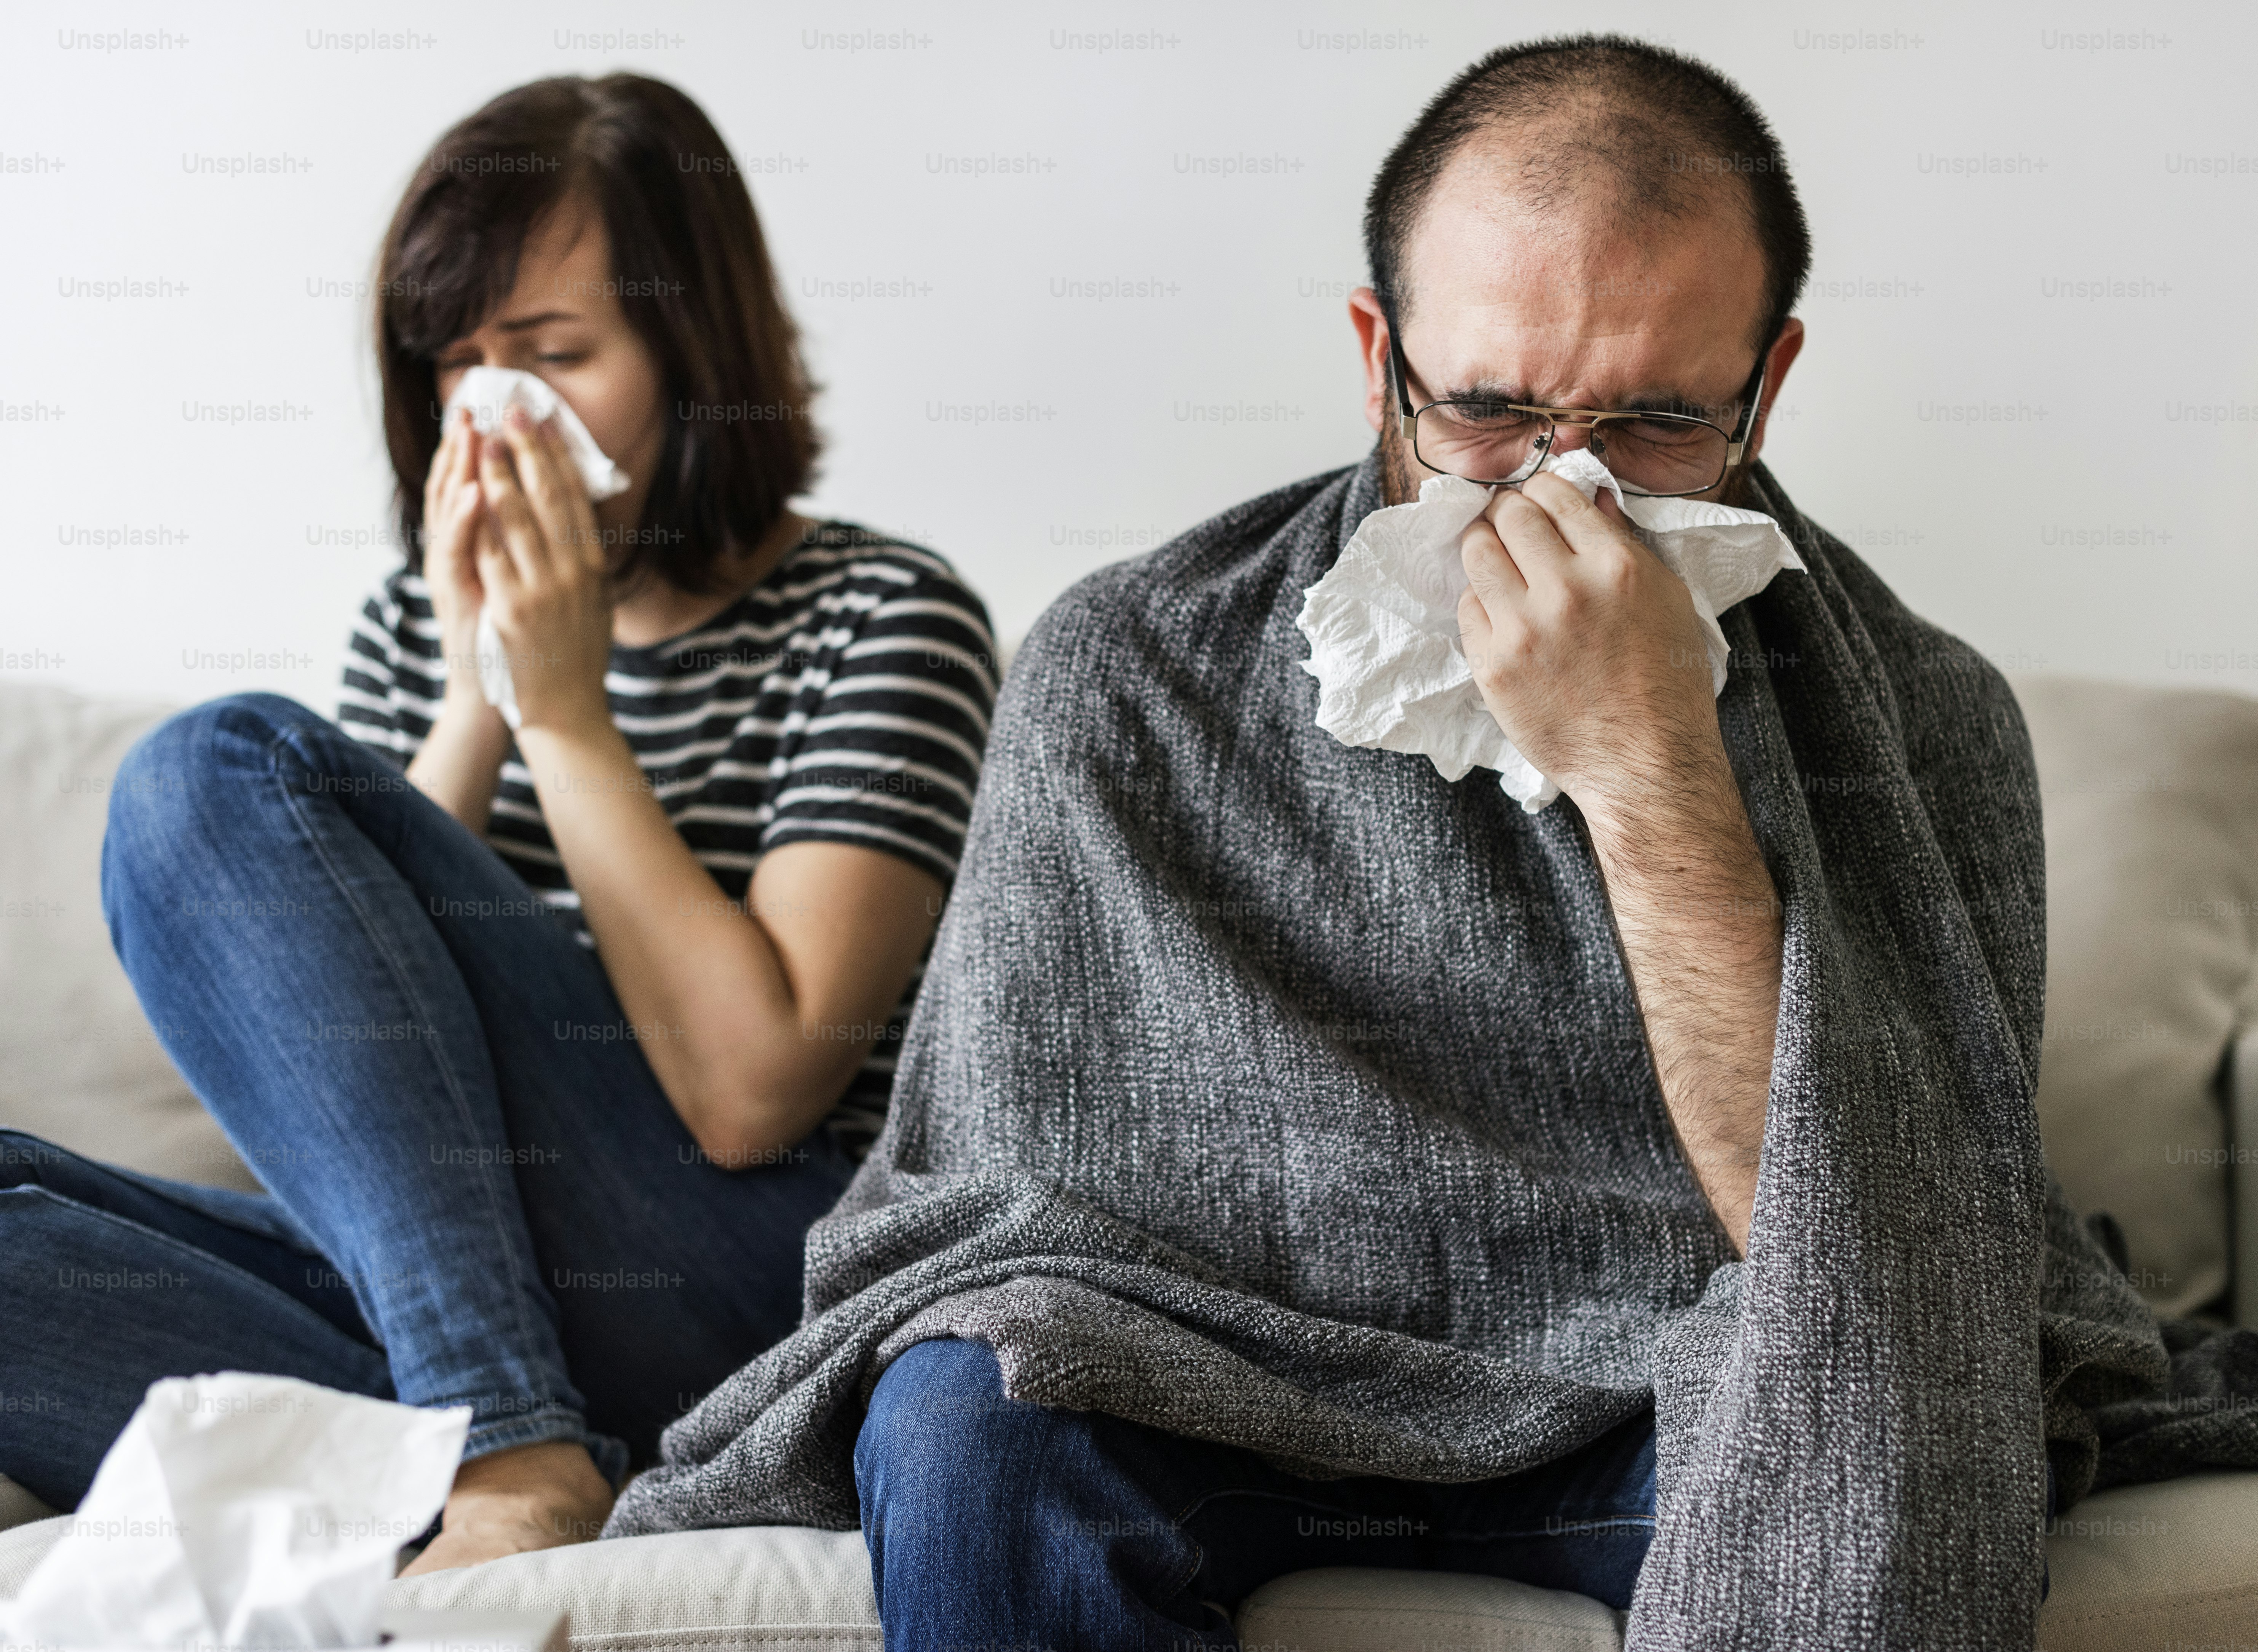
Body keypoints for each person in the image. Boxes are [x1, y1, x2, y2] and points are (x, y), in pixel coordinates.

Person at [596, 36, 2224, 1651]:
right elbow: (1002, 1207)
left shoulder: (1928, 715)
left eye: (1659, 421)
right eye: (1492, 409)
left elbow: (1861, 1254)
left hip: (1655, 1385)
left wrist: (1652, 773)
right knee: (966, 1409)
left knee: (1879, 1394)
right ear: (1377, 352)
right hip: (1214, 1372)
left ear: (1765, 386)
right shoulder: (1132, 662)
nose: (1561, 493)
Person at [0, 74, 995, 1575]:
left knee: (203, 767)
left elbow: (751, 1092)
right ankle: (475, 1442)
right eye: (459, 364)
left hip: (743, 1288)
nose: (497, 413)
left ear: (694, 349)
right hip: (468, 1297)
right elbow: (346, 1083)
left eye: (552, 356)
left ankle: (500, 1452)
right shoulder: (417, 618)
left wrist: (567, 714)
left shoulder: (886, 616)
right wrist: (477, 683)